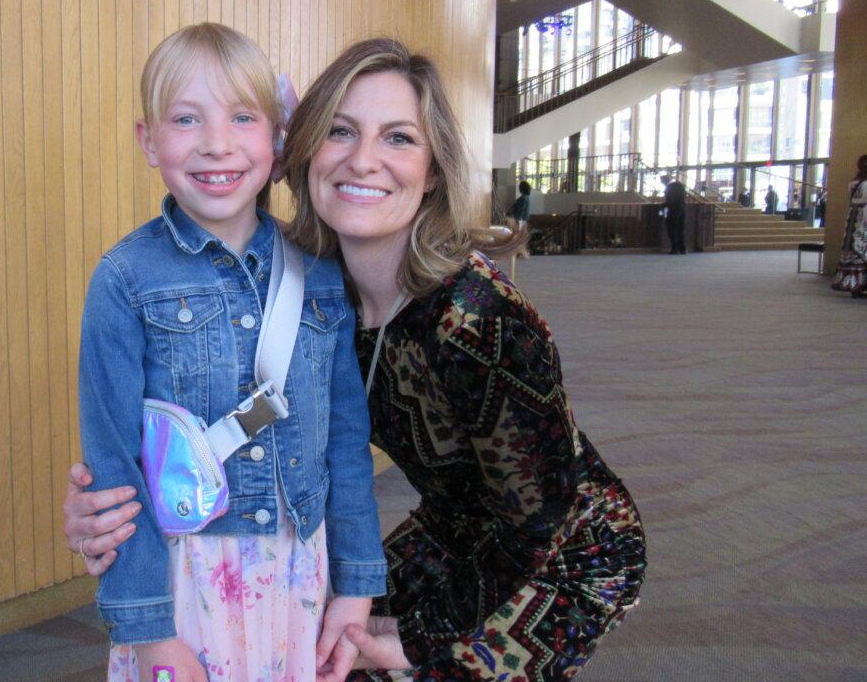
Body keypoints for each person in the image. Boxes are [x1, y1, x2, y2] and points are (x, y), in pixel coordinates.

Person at [67, 38, 646, 681]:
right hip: (451, 531)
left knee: (371, 663)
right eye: (341, 132)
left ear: (433, 169)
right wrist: (106, 513)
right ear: (304, 150)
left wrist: (418, 642)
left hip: (561, 557)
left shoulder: (478, 319)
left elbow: (538, 519)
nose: (364, 160)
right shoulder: (318, 284)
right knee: (333, 651)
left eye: (398, 138)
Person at [77, 23, 385, 682]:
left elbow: (345, 443)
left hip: (297, 571)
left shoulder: (319, 272)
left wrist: (356, 585)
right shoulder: (124, 279)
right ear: (148, 140)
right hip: (183, 577)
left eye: (243, 118)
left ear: (277, 140)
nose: (216, 143)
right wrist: (149, 630)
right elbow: (113, 468)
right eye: (186, 119)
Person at [831, 153, 867, 297]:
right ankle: (859, 286)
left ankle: (854, 286)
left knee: (853, 248)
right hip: (863, 218)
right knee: (862, 251)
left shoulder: (853, 183)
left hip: (853, 217)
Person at [661, 173, 687, 254]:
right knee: (680, 229)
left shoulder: (669, 188)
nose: (661, 183)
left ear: (664, 181)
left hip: (673, 211)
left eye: (661, 181)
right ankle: (682, 249)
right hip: (682, 210)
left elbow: (670, 201)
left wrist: (663, 206)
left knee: (672, 230)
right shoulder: (680, 186)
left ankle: (675, 249)